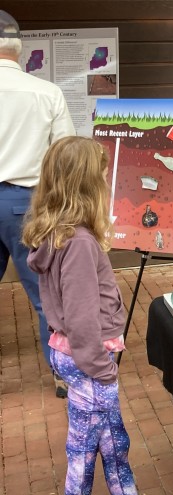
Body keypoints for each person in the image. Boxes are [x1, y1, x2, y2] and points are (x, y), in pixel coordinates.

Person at [22, 136, 139, 495]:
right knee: (84, 455)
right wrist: (101, 368)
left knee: (112, 443)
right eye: (103, 178)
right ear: (88, 187)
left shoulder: (59, 235)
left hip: (77, 357)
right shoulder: (80, 244)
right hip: (88, 360)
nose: (107, 185)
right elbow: (81, 315)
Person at [0, 10, 75, 396]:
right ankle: (63, 373)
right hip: (25, 204)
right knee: (45, 293)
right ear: (20, 49)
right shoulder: (47, 93)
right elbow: (65, 156)